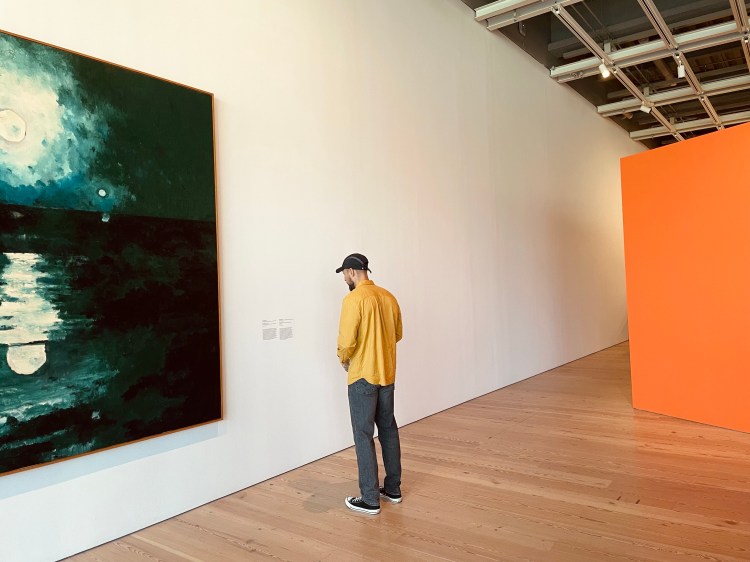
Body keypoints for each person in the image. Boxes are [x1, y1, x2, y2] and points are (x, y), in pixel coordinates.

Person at [336, 253, 403, 515]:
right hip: (386, 374)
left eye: (344, 274)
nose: (344, 278)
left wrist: (344, 358)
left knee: (363, 435)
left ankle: (370, 498)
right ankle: (393, 489)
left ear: (352, 272)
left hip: (362, 375)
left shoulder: (353, 299)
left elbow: (346, 341)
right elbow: (397, 334)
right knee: (388, 430)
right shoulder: (388, 297)